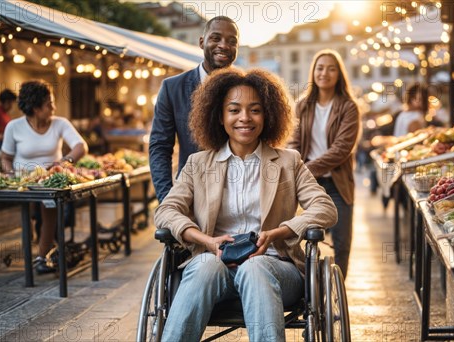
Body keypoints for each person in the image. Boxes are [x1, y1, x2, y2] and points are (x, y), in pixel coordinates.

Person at [154, 68, 337, 342]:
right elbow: (166, 212)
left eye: (255, 110)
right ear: (219, 116)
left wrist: (279, 233)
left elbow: (325, 208)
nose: (244, 118)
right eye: (234, 110)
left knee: (256, 266)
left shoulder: (288, 161)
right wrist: (207, 240)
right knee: (205, 265)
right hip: (215, 266)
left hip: (276, 267)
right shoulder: (198, 164)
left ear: (268, 115)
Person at [149, 15, 239, 203]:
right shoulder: (172, 88)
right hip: (192, 196)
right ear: (201, 42)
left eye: (232, 41)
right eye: (215, 38)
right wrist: (168, 200)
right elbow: (160, 147)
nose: (224, 45)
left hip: (239, 194)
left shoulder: (247, 88)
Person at [1, 80, 88, 274]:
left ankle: (41, 257)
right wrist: (10, 176)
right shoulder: (14, 127)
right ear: (35, 108)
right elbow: (5, 157)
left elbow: (81, 147)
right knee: (30, 215)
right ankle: (38, 240)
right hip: (24, 183)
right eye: (49, 104)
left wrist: (63, 162)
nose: (54, 107)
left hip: (49, 182)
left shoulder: (60, 123)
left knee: (49, 208)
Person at [288, 49, 360, 278]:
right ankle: (311, 288)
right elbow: (293, 142)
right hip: (308, 187)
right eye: (320, 68)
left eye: (331, 68)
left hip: (338, 186)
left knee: (342, 244)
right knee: (303, 239)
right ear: (313, 72)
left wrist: (305, 168)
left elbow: (341, 150)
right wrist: (293, 164)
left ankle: (336, 295)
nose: (324, 73)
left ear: (339, 74)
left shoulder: (348, 107)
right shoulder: (302, 106)